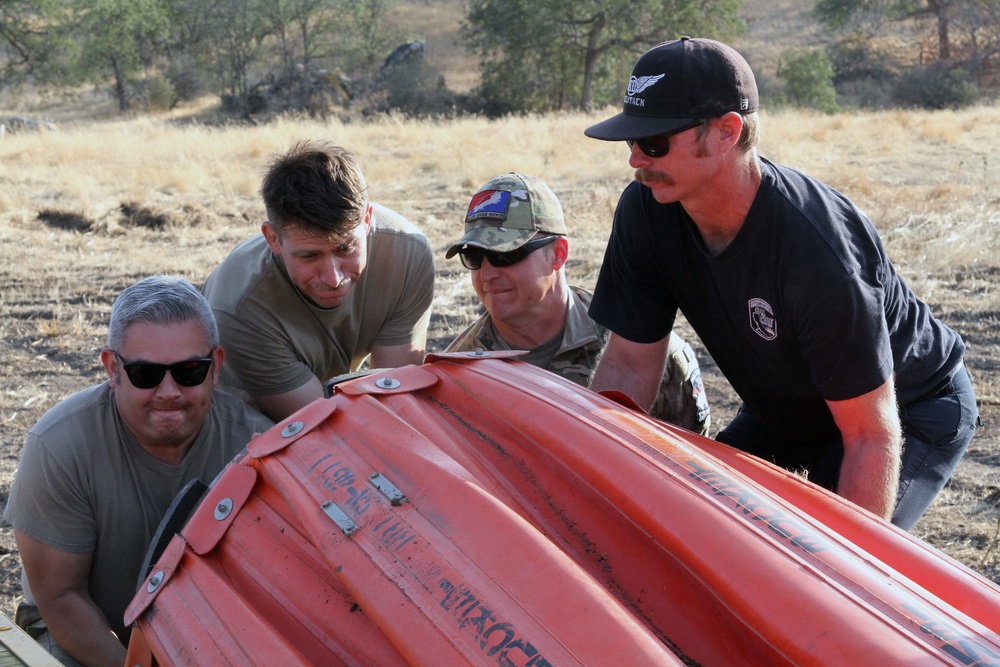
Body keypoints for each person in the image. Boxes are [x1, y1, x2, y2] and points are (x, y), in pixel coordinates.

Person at [583, 37, 979, 530]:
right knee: (701, 522)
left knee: (829, 558)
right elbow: (628, 363)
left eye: (655, 142)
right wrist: (584, 474)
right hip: (789, 409)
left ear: (727, 131)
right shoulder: (646, 211)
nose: (636, 160)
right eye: (631, 141)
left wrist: (844, 571)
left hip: (905, 410)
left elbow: (870, 435)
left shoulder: (817, 253)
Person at [3, 276, 274, 667]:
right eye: (146, 374)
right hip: (87, 638)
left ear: (215, 367)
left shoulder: (259, 446)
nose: (168, 392)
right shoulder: (59, 447)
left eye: (189, 371)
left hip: (214, 639)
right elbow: (61, 598)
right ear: (113, 369)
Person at [444, 172, 710, 435]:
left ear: (558, 254)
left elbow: (695, 461)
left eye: (506, 254)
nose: (487, 274)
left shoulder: (642, 351)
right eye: (475, 256)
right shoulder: (454, 371)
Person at [202, 140, 435, 422]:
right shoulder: (238, 307)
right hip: (246, 423)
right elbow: (327, 424)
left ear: (367, 220)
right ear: (273, 239)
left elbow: (393, 396)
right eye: (310, 256)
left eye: (345, 249)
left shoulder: (406, 254)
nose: (334, 277)